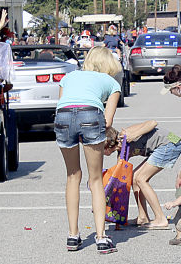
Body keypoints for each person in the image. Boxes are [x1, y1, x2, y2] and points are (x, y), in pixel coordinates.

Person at [54, 45, 121, 254]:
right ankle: (101, 237)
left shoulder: (69, 77)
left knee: (73, 175)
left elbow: (64, 104)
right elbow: (107, 121)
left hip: (62, 116)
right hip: (91, 115)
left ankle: (73, 235)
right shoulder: (111, 82)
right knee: (95, 179)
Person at [104, 120, 181, 229]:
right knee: (134, 178)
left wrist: (133, 135)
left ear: (108, 144)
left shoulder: (127, 134)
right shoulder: (121, 151)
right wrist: (117, 220)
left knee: (141, 179)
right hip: (163, 146)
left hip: (169, 144)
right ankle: (143, 217)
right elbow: (120, 177)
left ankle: (161, 218)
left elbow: (153, 123)